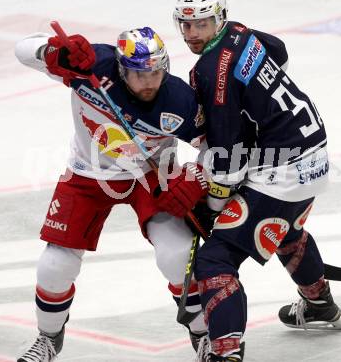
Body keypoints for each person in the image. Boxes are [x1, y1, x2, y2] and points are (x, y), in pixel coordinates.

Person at [162, 0, 341, 361]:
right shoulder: (239, 31)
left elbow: (229, 158)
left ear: (220, 16)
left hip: (283, 171)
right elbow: (277, 52)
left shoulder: (212, 72)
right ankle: (318, 303)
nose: (191, 33)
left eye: (201, 23)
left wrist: (211, 208)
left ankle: (226, 352)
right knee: (285, 228)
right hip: (313, 152)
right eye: (185, 24)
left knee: (215, 258)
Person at [14, 26, 211, 361]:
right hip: (87, 172)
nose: (149, 82)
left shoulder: (179, 99)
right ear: (121, 70)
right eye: (138, 74)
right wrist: (55, 54)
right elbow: (22, 48)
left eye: (156, 72)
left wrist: (196, 176)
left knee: (176, 258)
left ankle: (204, 334)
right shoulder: (90, 64)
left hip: (151, 176)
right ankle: (48, 338)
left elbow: (214, 146)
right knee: (54, 265)